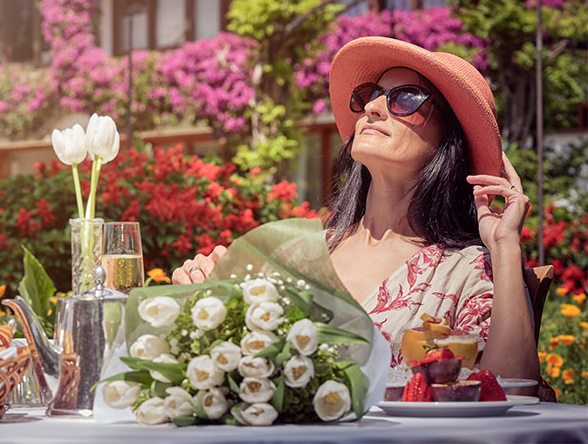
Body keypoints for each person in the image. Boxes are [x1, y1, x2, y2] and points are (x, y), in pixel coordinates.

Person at [172, 37, 541, 387]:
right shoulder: (298, 254)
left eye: (406, 98)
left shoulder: (467, 269)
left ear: (450, 139)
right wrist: (207, 303)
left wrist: (506, 245)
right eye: (370, 95)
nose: (372, 107)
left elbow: (513, 391)